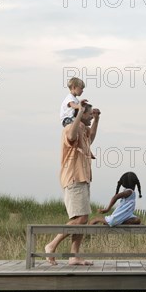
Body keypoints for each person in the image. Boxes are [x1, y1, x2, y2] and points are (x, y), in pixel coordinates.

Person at [45, 101, 101, 265]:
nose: (91, 117)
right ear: (81, 114)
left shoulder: (83, 129)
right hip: (74, 177)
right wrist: (78, 113)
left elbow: (91, 139)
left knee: (81, 217)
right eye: (89, 115)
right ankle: (52, 245)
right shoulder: (71, 128)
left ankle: (74, 256)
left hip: (83, 177)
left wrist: (97, 120)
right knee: (81, 218)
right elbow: (70, 137)